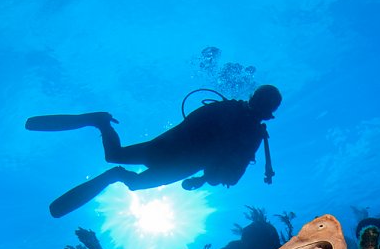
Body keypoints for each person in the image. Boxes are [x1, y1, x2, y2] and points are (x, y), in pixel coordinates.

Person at [25, 85, 282, 217]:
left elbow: (197, 127)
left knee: (114, 155)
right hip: (181, 161)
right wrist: (203, 178)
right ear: (270, 111)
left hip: (171, 146)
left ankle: (100, 122)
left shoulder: (230, 110)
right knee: (131, 179)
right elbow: (227, 173)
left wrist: (203, 174)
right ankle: (113, 171)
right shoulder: (251, 132)